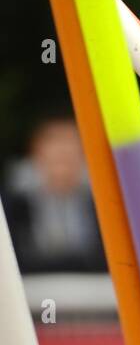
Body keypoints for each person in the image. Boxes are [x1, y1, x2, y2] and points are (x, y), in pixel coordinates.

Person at [1, 117, 104, 273]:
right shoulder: (11, 203)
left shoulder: (106, 202)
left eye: (70, 143)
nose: (63, 151)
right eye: (55, 143)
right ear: (36, 151)